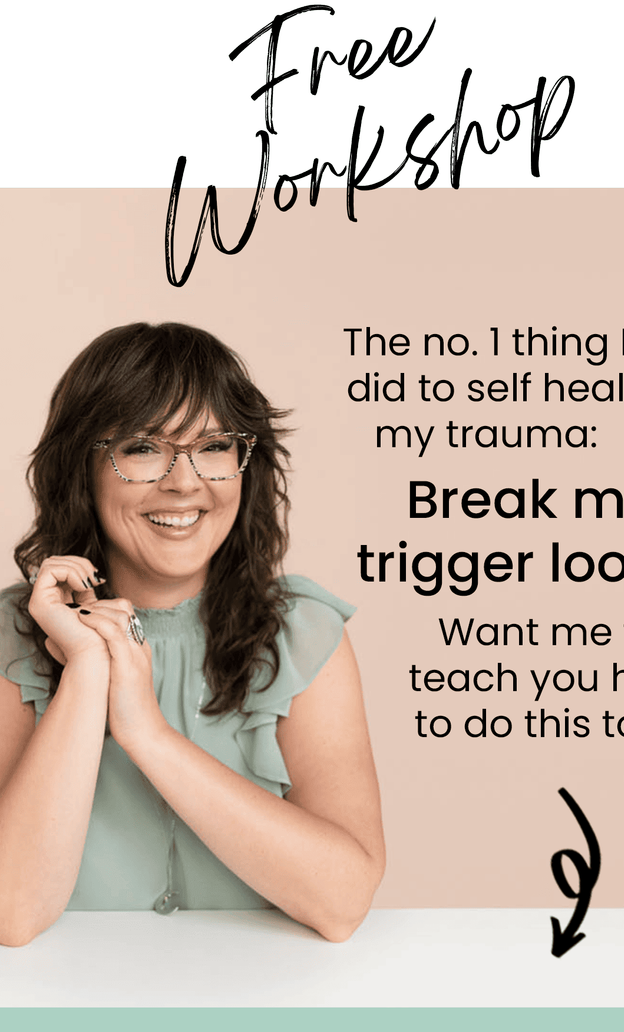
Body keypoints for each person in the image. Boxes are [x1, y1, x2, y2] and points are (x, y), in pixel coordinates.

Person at [0, 322, 384, 947]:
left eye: (213, 446)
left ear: (243, 464)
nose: (184, 482)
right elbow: (10, 912)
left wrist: (145, 731)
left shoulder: (304, 634)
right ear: (84, 468)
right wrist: (88, 670)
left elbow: (342, 901)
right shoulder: (12, 636)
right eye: (143, 449)